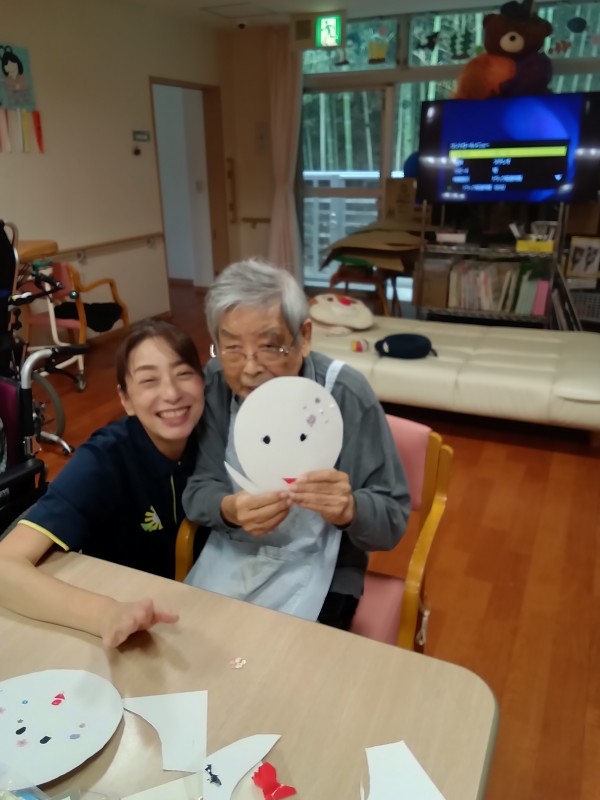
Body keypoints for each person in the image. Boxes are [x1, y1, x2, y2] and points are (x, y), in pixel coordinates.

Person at [183, 260, 410, 630]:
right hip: (232, 553)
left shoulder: (346, 395)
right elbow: (199, 488)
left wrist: (349, 508)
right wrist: (229, 508)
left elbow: (392, 518)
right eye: (233, 348)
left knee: (287, 663)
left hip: (326, 570)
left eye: (269, 346)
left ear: (304, 336)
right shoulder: (217, 384)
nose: (250, 368)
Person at [0, 319, 205, 647]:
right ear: (126, 399)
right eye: (149, 380)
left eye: (183, 373)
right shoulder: (105, 458)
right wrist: (104, 613)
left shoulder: (214, 437)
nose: (172, 393)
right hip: (128, 622)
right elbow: (4, 565)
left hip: (198, 606)